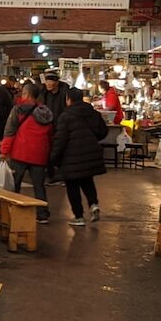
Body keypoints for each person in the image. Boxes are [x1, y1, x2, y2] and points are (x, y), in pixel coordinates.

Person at [51, 89, 108, 226]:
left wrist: (53, 158)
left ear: (68, 99)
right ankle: (93, 204)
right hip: (89, 153)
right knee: (87, 180)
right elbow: (103, 131)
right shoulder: (93, 113)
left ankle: (79, 217)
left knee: (72, 186)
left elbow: (60, 139)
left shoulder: (65, 116)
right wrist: (92, 139)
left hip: (71, 156)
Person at [0, 82, 55, 223]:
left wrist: (4, 151)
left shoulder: (19, 110)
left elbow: (9, 132)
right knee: (39, 186)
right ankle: (43, 215)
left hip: (20, 153)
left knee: (15, 184)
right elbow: (51, 135)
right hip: (40, 155)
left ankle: (12, 213)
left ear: (26, 94)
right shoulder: (46, 113)